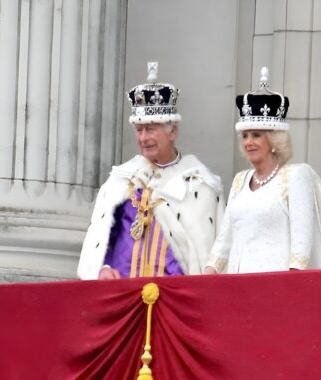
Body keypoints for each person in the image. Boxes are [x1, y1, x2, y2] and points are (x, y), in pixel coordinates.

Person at [78, 62, 224, 280]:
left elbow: (212, 255)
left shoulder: (200, 185)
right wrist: (103, 267)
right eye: (139, 130)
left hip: (174, 295)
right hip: (125, 293)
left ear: (172, 131)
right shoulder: (121, 181)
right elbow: (102, 240)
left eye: (150, 129)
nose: (143, 138)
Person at [204, 67, 321, 274]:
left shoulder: (295, 176)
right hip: (237, 284)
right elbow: (224, 240)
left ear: (274, 139)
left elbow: (301, 248)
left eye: (256, 135)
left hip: (274, 285)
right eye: (245, 136)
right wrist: (207, 274)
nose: (248, 142)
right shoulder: (240, 180)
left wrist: (288, 286)